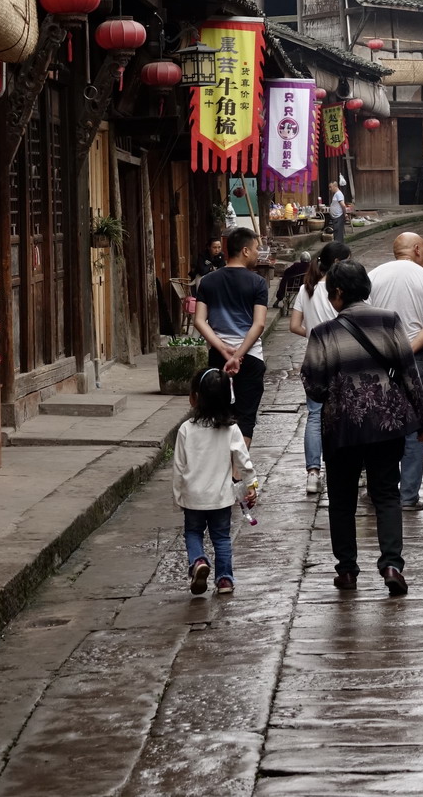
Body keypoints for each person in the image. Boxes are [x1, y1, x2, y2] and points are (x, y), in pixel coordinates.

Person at [301, 261, 423, 595]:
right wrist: (422, 417)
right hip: (386, 424)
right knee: (386, 493)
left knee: (342, 499)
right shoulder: (388, 320)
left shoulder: (323, 333)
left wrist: (338, 389)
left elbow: (313, 386)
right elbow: (408, 372)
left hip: (342, 428)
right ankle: (391, 565)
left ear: (338, 292)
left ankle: (347, 571)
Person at [369, 232, 423, 509]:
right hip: (415, 360)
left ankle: (382, 490)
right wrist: (409, 348)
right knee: (414, 426)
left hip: (377, 360)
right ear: (416, 249)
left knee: (379, 423)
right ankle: (408, 495)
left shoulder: (373, 276)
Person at [172, 366, 257, 596]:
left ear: (195, 397)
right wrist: (252, 485)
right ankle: (225, 580)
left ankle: (198, 561)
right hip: (220, 498)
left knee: (193, 533)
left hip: (193, 497)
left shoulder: (186, 430)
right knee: (221, 538)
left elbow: (179, 467)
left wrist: (178, 496)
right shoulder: (231, 430)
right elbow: (244, 461)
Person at [194, 228, 268, 446]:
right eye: (256, 249)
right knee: (246, 418)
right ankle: (238, 466)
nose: (258, 253)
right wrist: (238, 355)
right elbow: (259, 324)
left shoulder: (208, 281)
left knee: (218, 415)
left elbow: (199, 321)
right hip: (250, 356)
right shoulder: (257, 282)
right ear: (245, 251)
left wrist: (223, 349)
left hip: (219, 357)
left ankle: (221, 463)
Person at [290, 241, 351, 494]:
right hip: (342, 356)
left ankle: (313, 474)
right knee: (347, 411)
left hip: (315, 357)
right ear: (337, 262)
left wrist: (313, 335)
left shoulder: (307, 289)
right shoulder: (341, 291)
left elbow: (294, 325)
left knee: (315, 414)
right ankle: (347, 467)